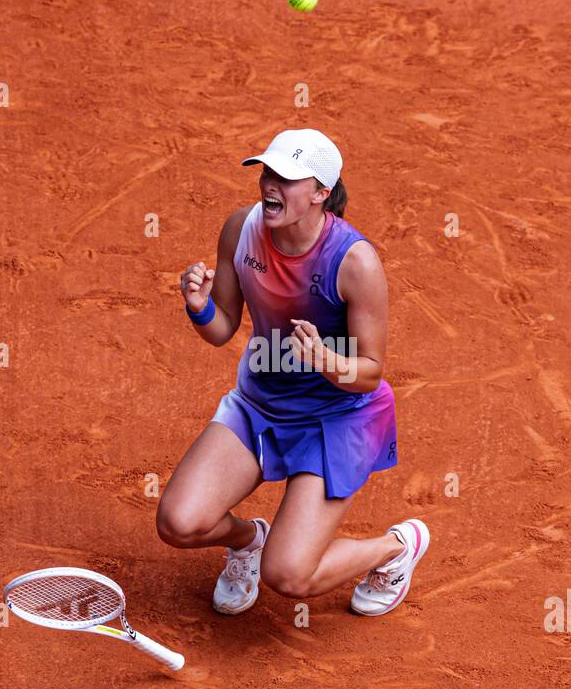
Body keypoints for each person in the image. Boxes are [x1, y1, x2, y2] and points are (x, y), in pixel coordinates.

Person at [157, 128, 429, 617]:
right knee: (179, 523)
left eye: (286, 177)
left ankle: (396, 548)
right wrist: (199, 308)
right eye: (267, 173)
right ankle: (248, 541)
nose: (269, 185)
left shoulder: (355, 262)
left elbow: (370, 373)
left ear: (322, 193)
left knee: (289, 576)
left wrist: (325, 360)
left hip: (338, 416)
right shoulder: (241, 230)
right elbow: (222, 330)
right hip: (261, 404)